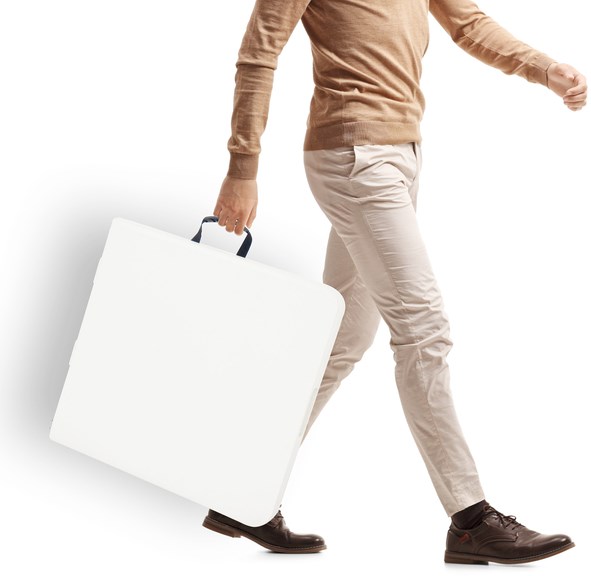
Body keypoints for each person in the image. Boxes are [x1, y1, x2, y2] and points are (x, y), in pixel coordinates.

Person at [201, 0, 587, 565]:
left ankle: (240, 490)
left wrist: (543, 68)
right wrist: (243, 167)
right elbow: (259, 55)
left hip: (399, 153)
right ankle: (471, 520)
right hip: (355, 156)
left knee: (343, 339)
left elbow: (468, 23)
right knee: (424, 330)